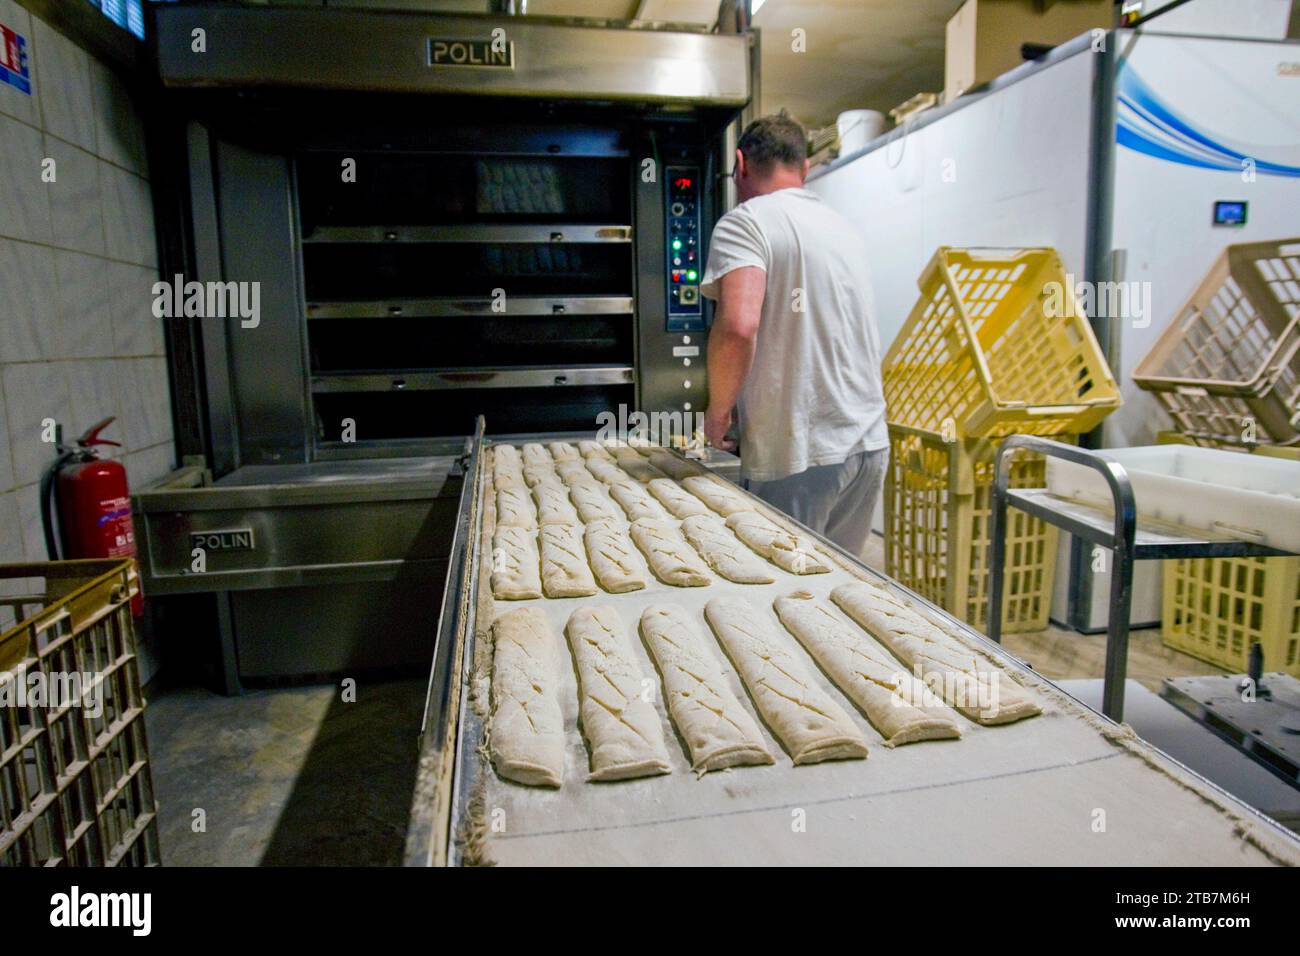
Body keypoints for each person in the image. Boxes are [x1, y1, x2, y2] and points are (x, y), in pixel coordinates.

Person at [700, 111, 889, 559]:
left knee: (786, 600)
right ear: (805, 168)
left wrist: (717, 414)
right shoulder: (844, 227)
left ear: (741, 164)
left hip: (801, 456)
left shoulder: (746, 222)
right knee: (840, 595)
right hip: (867, 444)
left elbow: (739, 326)